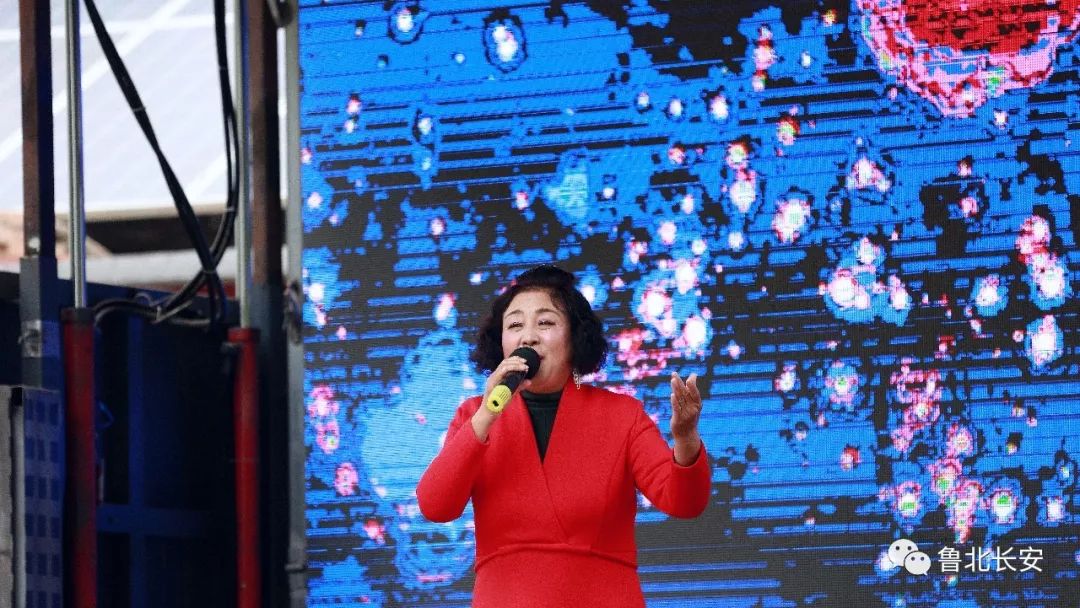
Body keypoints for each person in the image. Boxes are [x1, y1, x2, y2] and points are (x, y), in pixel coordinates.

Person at [416, 264, 711, 608]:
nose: (528, 337)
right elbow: (436, 506)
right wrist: (487, 414)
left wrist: (685, 438)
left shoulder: (622, 415)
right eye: (515, 326)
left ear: (575, 338)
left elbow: (684, 503)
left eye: (545, 323)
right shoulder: (474, 415)